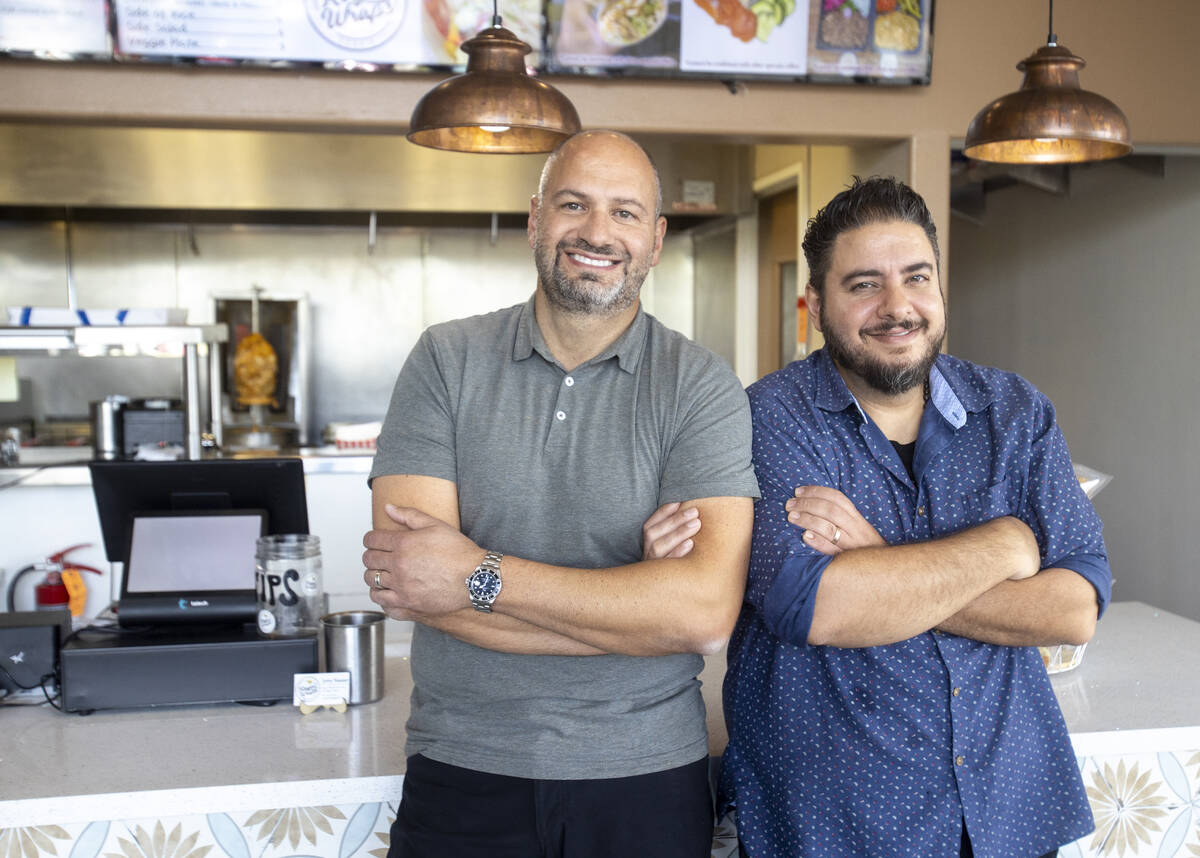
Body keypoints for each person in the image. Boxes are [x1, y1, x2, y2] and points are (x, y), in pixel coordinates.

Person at [362, 130, 759, 858]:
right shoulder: (445, 362)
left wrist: (475, 576)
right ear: (535, 220)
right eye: (573, 204)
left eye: (625, 212)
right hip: (461, 767)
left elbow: (701, 616)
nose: (598, 232)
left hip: (646, 779)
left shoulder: (700, 386)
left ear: (657, 239)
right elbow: (414, 581)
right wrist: (633, 602)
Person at [718, 176, 1111, 858]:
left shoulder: (1016, 412)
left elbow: (1074, 608)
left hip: (1008, 812)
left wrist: (879, 557)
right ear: (813, 306)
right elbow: (815, 607)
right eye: (864, 284)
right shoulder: (767, 419)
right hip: (834, 822)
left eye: (916, 278)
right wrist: (1006, 543)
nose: (897, 307)